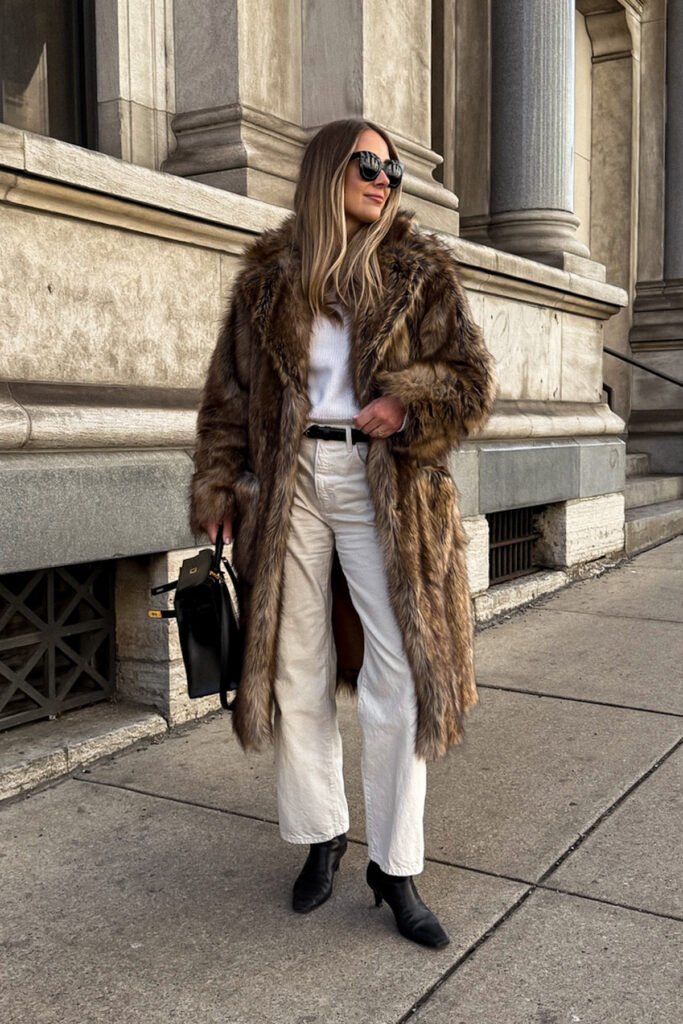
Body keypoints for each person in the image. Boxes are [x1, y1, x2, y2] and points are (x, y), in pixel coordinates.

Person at [190, 118, 497, 949]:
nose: (385, 178)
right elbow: (228, 396)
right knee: (295, 663)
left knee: (399, 665)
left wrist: (407, 402)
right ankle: (322, 834)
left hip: (382, 479)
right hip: (287, 485)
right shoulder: (266, 280)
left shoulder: (418, 271)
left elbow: (470, 379)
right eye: (368, 163)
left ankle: (395, 865)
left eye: (393, 168)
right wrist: (219, 484)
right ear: (329, 168)